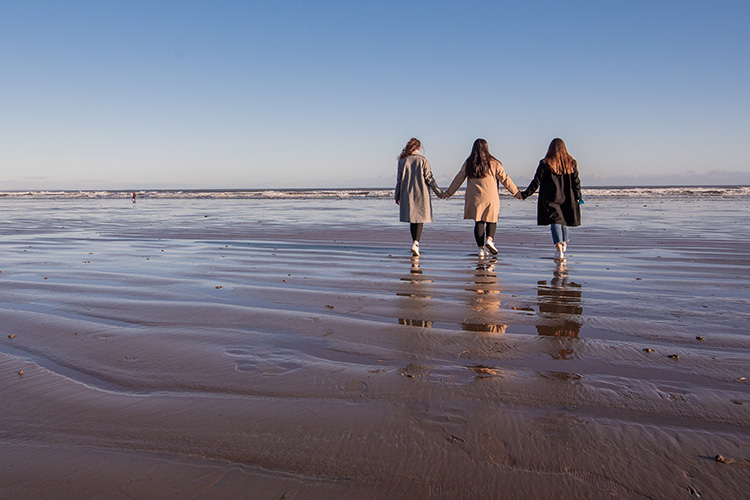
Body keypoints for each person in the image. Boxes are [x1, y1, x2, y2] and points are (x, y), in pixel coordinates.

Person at [442, 138, 522, 257]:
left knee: (479, 222)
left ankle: (481, 249)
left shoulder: (469, 163)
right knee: (492, 219)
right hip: (491, 196)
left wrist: (448, 192)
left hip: (475, 198)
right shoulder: (494, 163)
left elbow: (459, 178)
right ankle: (490, 239)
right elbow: (505, 179)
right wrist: (516, 193)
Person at [519, 138, 582, 260]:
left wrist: (525, 194)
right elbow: (576, 183)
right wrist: (578, 197)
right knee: (563, 221)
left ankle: (559, 249)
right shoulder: (571, 163)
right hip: (567, 197)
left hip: (551, 198)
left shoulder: (545, 163)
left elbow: (536, 181)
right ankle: (563, 244)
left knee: (555, 222)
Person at [395, 138, 444, 256]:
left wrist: (397, 195)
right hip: (421, 193)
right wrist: (439, 193)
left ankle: (414, 242)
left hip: (407, 194)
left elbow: (399, 181)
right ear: (419, 147)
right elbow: (429, 178)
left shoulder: (402, 161)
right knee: (420, 219)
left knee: (413, 219)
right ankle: (416, 243)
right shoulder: (423, 161)